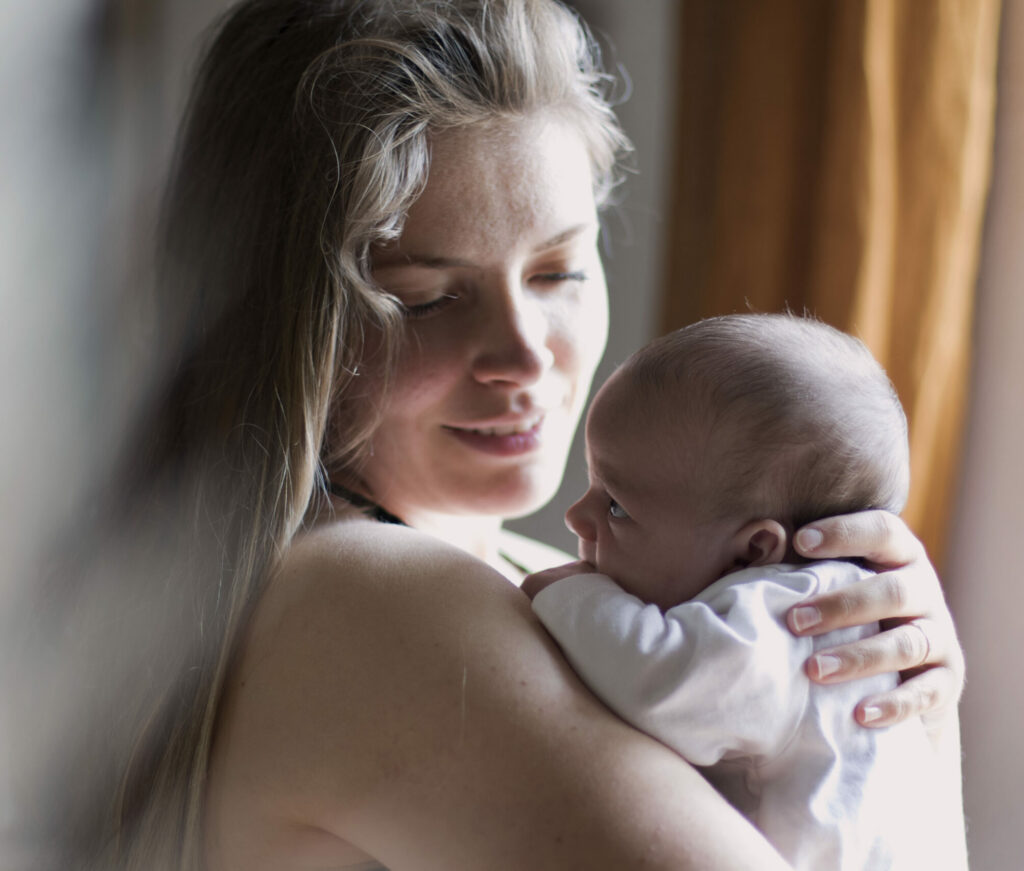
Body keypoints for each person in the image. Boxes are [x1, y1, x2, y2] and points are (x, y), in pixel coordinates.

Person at [19, 2, 965, 870]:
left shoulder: (524, 571)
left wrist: (902, 698)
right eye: (428, 299)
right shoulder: (381, 600)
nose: (524, 352)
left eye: (557, 272)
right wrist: (912, 742)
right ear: (286, 323)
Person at [522, 313, 958, 869]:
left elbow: (661, 681)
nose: (576, 517)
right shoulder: (840, 605)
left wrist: (566, 594)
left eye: (616, 506)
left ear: (753, 552)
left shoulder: (795, 616)